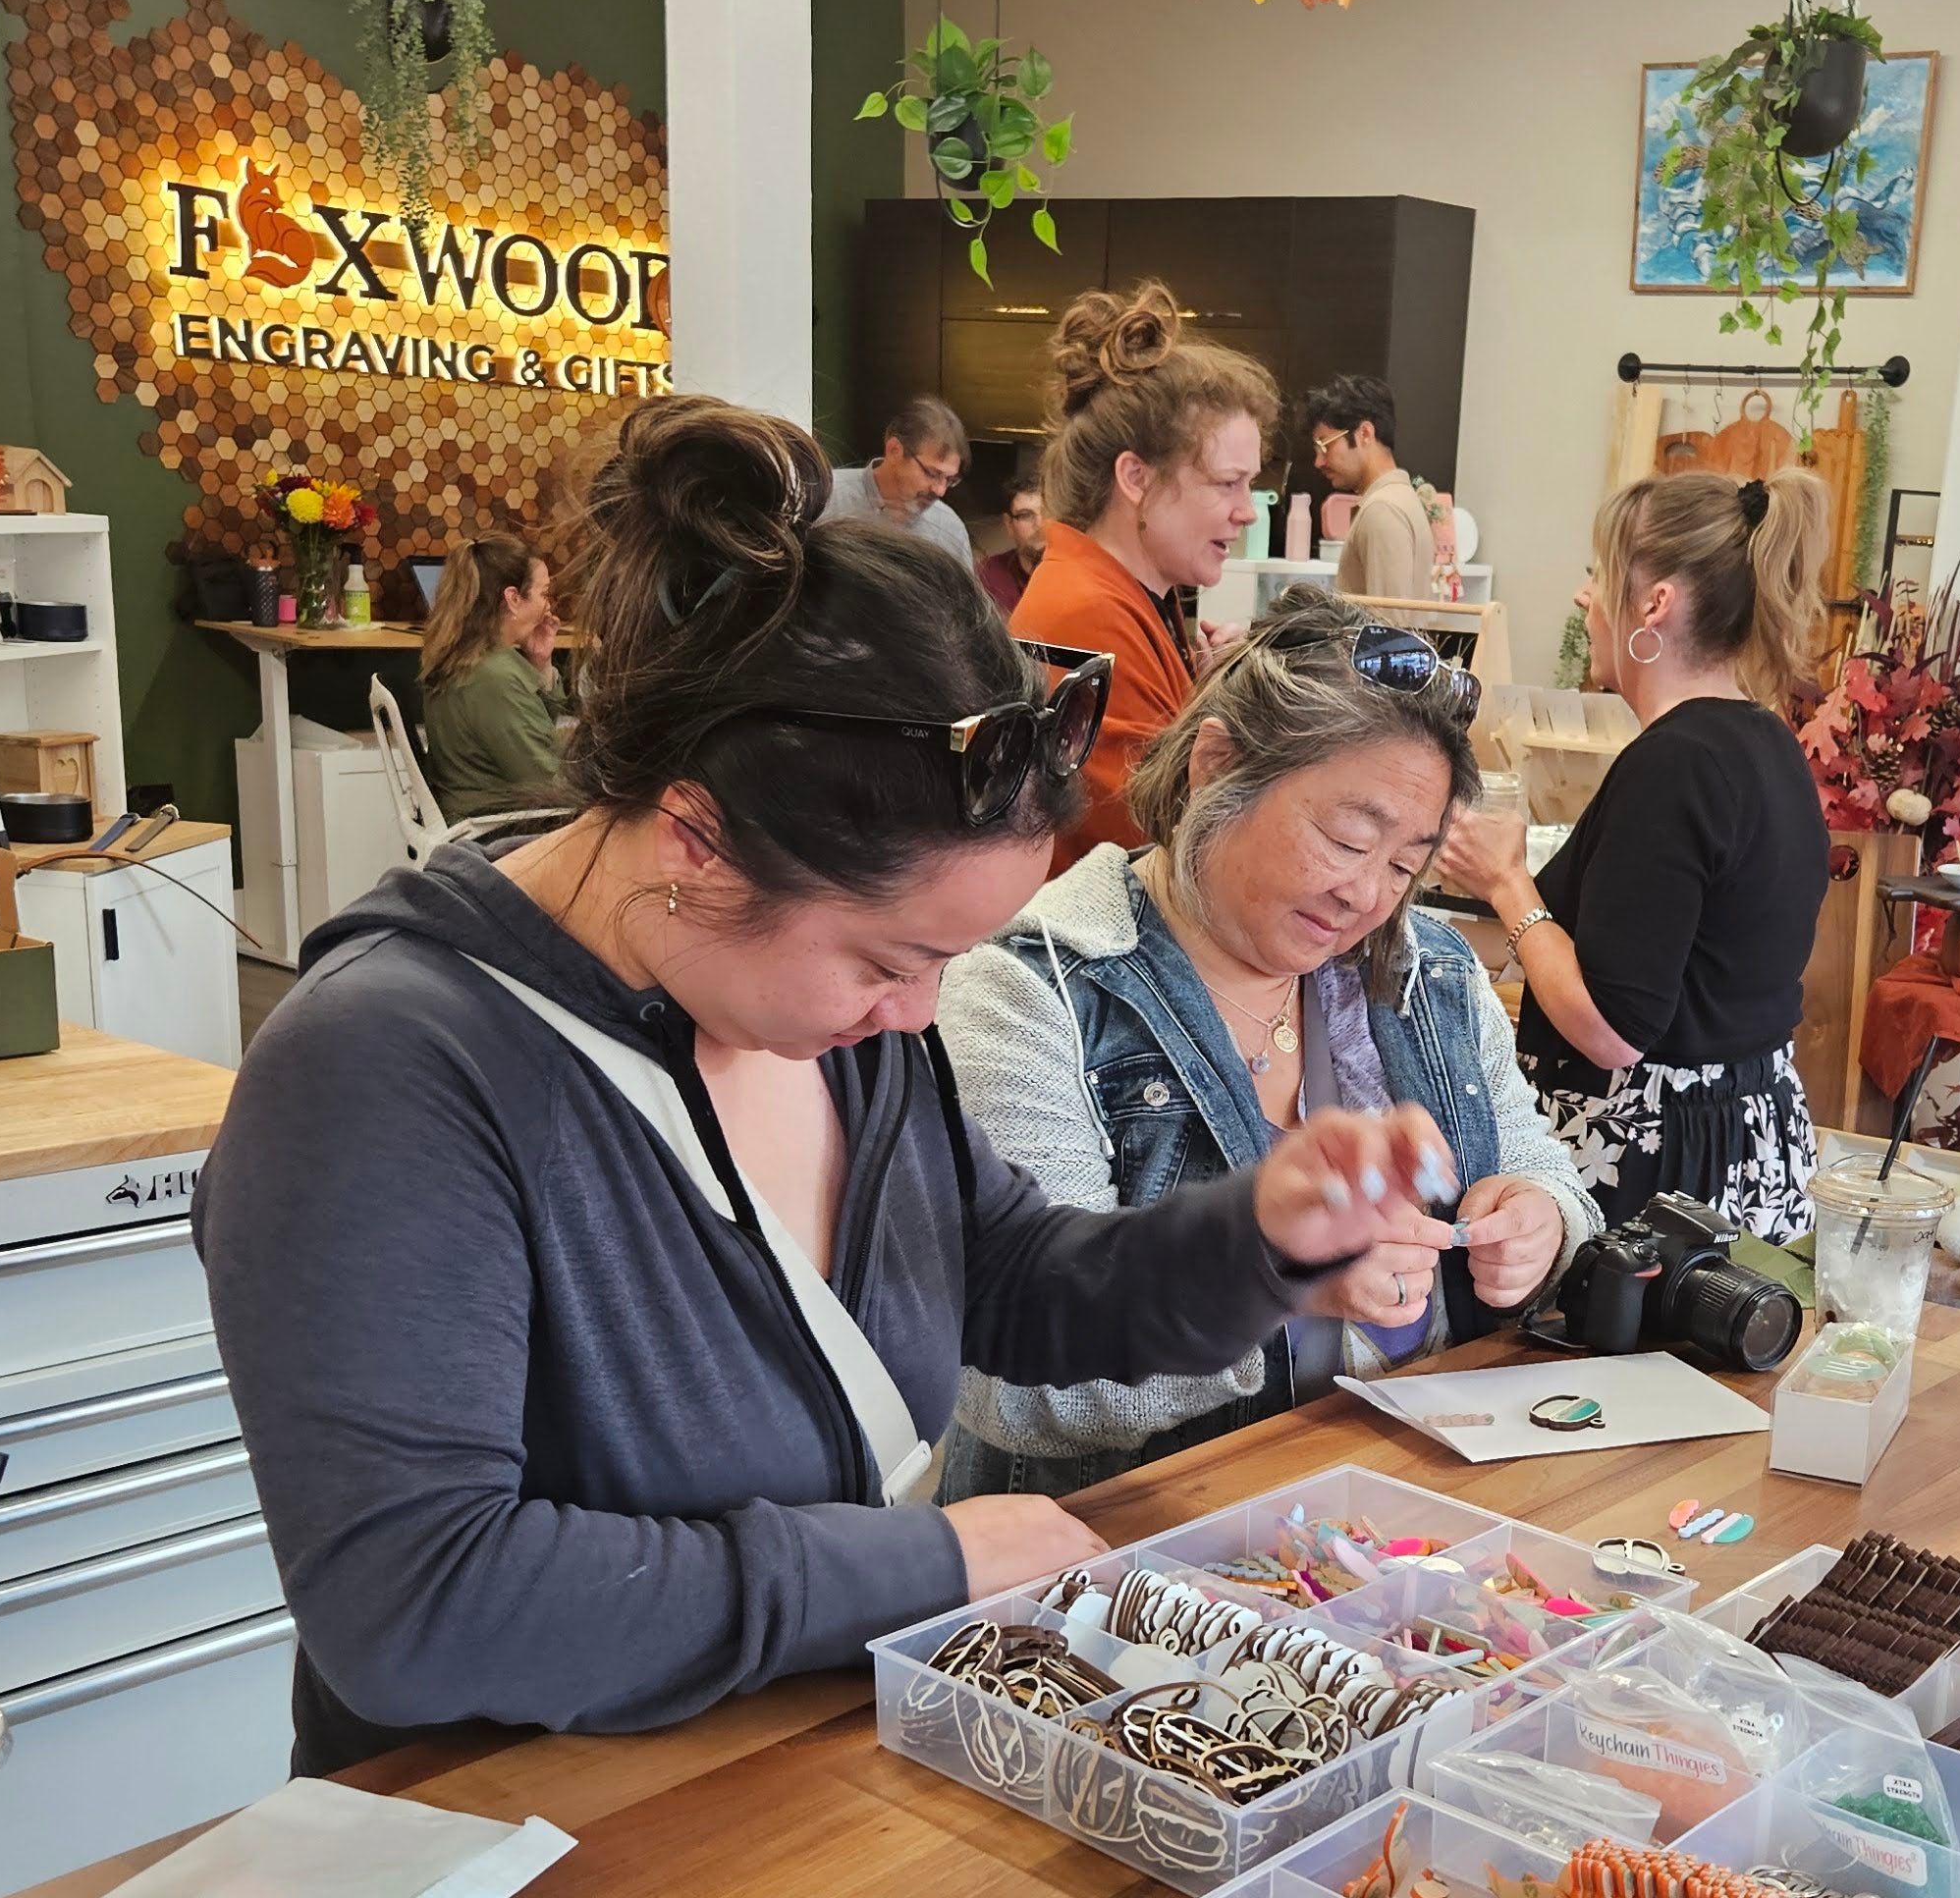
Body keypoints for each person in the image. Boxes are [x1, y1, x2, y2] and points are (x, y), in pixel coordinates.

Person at [196, 396, 1461, 1776]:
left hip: (793, 1788)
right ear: (697, 843)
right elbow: (419, 1603)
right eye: (891, 959)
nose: (918, 1013)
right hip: (516, 1838)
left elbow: (1010, 1281)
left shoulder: (840, 1029)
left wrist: (1258, 1238)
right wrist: (919, 1566)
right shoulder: (382, 1074)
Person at [938, 594, 1596, 1498]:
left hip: (1404, 1513)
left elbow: (1540, 1168)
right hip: (1135, 1539)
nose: (1368, 896)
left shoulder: (1427, 970)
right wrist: (1276, 1281)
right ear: (1218, 766)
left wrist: (1540, 1219)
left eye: (1404, 865)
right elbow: (1013, 1386)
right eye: (1346, 840)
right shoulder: (1034, 988)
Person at [1436, 468, 1833, 1239]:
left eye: (1599, 574)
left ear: (1654, 604)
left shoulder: (1674, 764)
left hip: (1656, 1170)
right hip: (1747, 1142)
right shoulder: (1767, 743)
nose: (1584, 597)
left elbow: (1611, 1029)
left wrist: (1507, 883)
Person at [1010, 282, 1277, 864]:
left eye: (1250, 484)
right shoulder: (1085, 616)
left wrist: (1211, 693)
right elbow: (1158, 831)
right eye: (1226, 483)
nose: (1248, 510)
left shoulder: (1132, 597)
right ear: (1136, 479)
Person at [416, 533, 564, 821]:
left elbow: (535, 735)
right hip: (504, 826)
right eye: (544, 594)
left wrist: (540, 663)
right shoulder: (495, 678)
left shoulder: (464, 657)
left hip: (470, 818)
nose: (548, 607)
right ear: (513, 599)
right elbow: (548, 781)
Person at [1302, 374, 1436, 604]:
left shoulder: (1382, 509)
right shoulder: (1401, 499)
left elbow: (1387, 621)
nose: (1319, 461)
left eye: (1325, 445)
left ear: (1365, 434)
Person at [827, 394, 974, 572]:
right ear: (894, 450)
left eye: (950, 480)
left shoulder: (949, 530)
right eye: (931, 473)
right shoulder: (826, 497)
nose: (940, 490)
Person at [977, 479, 1045, 615]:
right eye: (1026, 515)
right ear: (1009, 524)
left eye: (1047, 513)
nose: (1040, 524)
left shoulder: (1079, 572)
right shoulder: (988, 576)